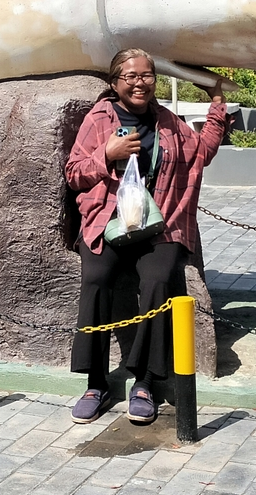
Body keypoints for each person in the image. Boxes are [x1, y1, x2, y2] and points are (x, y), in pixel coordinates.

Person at [63, 49, 229, 424]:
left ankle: (146, 382)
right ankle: (95, 382)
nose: (140, 83)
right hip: (110, 221)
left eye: (148, 75)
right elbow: (74, 173)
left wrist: (216, 108)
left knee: (159, 280)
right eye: (131, 76)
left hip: (158, 224)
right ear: (114, 82)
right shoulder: (99, 119)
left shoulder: (167, 121)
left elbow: (200, 153)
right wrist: (106, 154)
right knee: (97, 277)